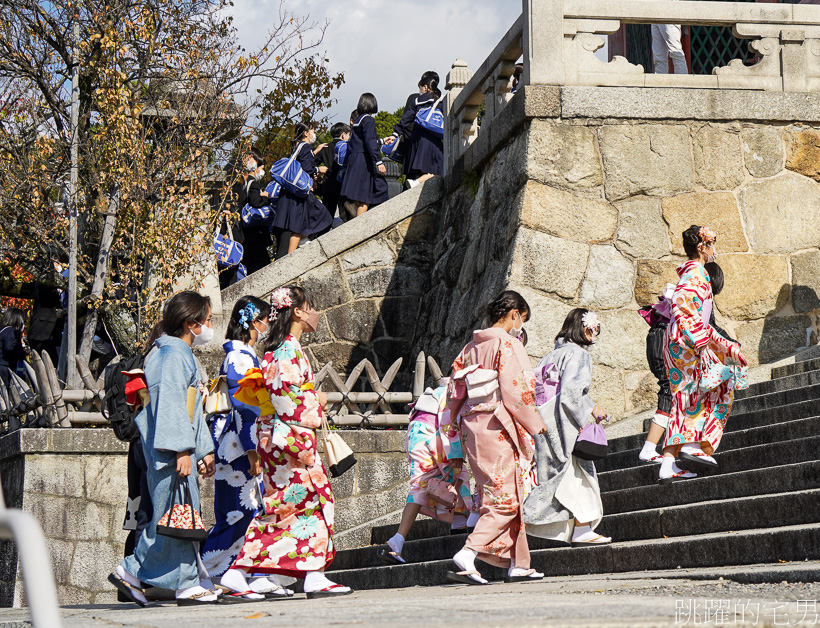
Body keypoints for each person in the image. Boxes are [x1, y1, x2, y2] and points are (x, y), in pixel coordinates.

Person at [221, 285, 352, 599]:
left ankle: (303, 575)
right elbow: (285, 400)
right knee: (313, 503)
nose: (314, 314)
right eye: (310, 307)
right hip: (290, 440)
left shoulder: (279, 348)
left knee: (291, 508)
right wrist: (316, 399)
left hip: (281, 439)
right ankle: (247, 572)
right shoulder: (286, 350)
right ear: (297, 311)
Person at [109, 291, 218, 607]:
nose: (209, 326)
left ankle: (184, 583)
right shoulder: (171, 356)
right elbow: (171, 406)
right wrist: (183, 449)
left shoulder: (175, 353)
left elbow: (191, 410)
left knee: (180, 518)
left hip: (174, 450)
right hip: (170, 451)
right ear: (190, 323)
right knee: (172, 518)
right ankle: (132, 571)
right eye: (207, 320)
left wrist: (203, 449)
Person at [442, 290, 545, 585]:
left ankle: (519, 563)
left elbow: (454, 393)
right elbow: (518, 391)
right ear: (514, 314)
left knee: (499, 492)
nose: (520, 327)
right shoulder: (507, 343)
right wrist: (536, 424)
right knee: (506, 500)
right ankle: (469, 552)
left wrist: (455, 425)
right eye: (521, 320)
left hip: (472, 426)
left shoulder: (469, 348)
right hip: (497, 426)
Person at [198, 296, 289, 598]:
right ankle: (207, 574)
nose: (267, 324)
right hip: (238, 446)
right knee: (237, 514)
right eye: (263, 318)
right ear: (252, 322)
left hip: (243, 444)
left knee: (254, 512)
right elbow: (245, 406)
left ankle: (255, 572)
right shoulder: (239, 357)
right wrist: (253, 450)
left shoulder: (245, 354)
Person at [660, 226, 746, 484]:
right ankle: (693, 444)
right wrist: (704, 340)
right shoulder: (697, 272)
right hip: (689, 341)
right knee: (715, 385)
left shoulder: (692, 271)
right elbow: (682, 304)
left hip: (681, 340)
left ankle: (667, 462)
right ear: (702, 246)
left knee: (685, 398)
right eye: (712, 243)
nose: (714, 248)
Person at [522, 309, 612, 547]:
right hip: (566, 424)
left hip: (545, 422)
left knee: (565, 478)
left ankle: (579, 528)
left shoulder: (551, 356)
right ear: (582, 328)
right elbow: (571, 395)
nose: (594, 335)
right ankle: (578, 529)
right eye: (592, 329)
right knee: (582, 477)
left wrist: (591, 406)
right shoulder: (579, 355)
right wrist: (583, 420)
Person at [638, 262, 736, 465]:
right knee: (675, 393)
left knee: (672, 393)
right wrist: (733, 345)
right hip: (668, 342)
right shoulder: (700, 289)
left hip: (657, 338)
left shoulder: (687, 284)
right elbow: (709, 326)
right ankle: (652, 449)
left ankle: (668, 455)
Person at [377, 384, 473, 566]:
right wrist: (455, 452)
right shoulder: (454, 390)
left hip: (416, 433)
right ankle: (469, 524)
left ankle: (399, 540)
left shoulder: (442, 390)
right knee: (459, 474)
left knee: (420, 484)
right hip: (432, 433)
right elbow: (448, 422)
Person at [270, 124, 333, 260]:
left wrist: (314, 153)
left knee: (294, 227)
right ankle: (302, 243)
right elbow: (306, 168)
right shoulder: (305, 147)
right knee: (321, 216)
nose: (314, 134)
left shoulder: (297, 147)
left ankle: (300, 243)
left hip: (290, 194)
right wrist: (318, 170)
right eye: (312, 131)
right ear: (305, 133)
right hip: (298, 196)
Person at [385, 71, 444, 189]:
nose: (420, 90)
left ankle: (415, 182)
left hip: (416, 139)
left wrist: (394, 134)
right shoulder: (440, 100)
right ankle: (416, 182)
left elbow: (406, 119)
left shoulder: (416, 101)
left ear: (425, 87)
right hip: (431, 140)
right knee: (440, 166)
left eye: (420, 87)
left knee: (422, 168)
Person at [340, 93, 388, 218]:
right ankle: (358, 224)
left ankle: (352, 205)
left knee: (370, 192)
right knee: (366, 197)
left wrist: (382, 141)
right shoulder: (368, 120)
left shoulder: (357, 121)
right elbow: (370, 142)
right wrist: (379, 162)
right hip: (365, 161)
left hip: (355, 160)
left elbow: (362, 142)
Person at [240, 149, 273, 276]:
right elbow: (256, 202)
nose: (262, 172)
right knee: (262, 264)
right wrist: (264, 197)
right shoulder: (253, 183)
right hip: (255, 233)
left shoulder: (245, 183)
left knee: (251, 264)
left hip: (247, 234)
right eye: (261, 168)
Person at [316, 122, 350, 222]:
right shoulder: (346, 147)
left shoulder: (325, 148)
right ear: (343, 134)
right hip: (344, 185)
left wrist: (317, 174)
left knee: (327, 216)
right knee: (347, 217)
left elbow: (313, 162)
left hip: (329, 185)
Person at [0, 308, 28, 389]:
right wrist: (21, 353)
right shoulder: (11, 331)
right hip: (5, 367)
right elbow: (10, 347)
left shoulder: (3, 330)